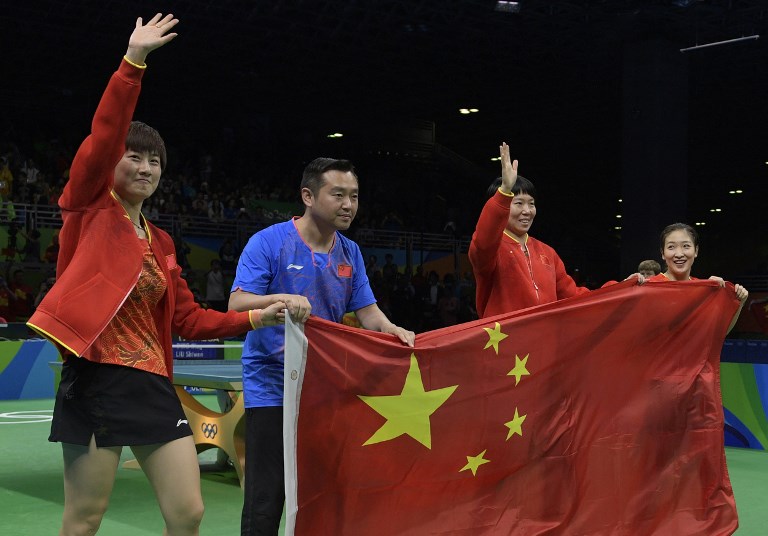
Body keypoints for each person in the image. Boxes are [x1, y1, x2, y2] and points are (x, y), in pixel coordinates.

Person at [25, 15, 287, 536]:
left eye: (155, 162)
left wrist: (258, 316)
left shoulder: (161, 242)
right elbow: (103, 137)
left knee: (187, 512)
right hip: (97, 379)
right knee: (84, 519)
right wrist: (133, 63)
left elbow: (188, 318)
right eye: (134, 157)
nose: (145, 168)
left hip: (152, 385)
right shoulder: (89, 210)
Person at [230, 157, 416, 535]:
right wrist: (281, 300)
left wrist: (393, 330)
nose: (349, 205)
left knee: (324, 492)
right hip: (273, 388)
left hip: (326, 391)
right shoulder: (268, 242)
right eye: (339, 195)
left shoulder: (350, 253)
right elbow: (237, 303)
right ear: (308, 196)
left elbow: (369, 314)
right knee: (266, 499)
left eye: (355, 196)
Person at [469, 142, 589, 318]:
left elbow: (575, 297)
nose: (527, 211)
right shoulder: (489, 251)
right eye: (518, 203)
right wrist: (505, 190)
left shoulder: (548, 253)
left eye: (531, 204)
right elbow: (483, 241)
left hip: (543, 341)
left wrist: (621, 288)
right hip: (505, 343)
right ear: (501, 206)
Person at [646, 223, 748, 334]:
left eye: (686, 246)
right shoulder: (648, 288)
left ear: (696, 251)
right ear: (662, 253)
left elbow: (718, 333)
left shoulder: (703, 291)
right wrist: (628, 287)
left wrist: (739, 301)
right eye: (671, 247)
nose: (679, 254)